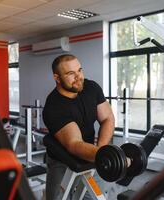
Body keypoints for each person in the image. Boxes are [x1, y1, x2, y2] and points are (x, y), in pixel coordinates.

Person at [42, 54, 115, 200]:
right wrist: (102, 155)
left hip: (91, 151)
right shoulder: (54, 107)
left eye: (79, 70)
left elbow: (108, 118)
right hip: (61, 160)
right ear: (57, 78)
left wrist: (101, 149)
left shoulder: (91, 88)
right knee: (56, 198)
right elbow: (74, 144)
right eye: (70, 73)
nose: (78, 77)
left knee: (93, 195)